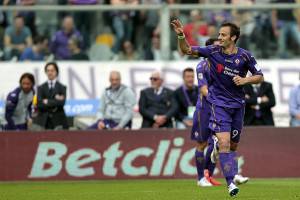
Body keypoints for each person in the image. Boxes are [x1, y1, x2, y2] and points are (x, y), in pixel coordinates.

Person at [171, 19, 264, 196]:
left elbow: (259, 76)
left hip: (238, 106)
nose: (219, 37)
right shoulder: (212, 51)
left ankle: (220, 156)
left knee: (233, 146)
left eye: (223, 35)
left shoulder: (245, 56)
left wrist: (245, 80)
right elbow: (186, 50)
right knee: (224, 143)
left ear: (234, 37)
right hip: (218, 104)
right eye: (219, 34)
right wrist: (181, 35)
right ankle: (230, 184)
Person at [191, 38, 221, 187]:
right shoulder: (202, 66)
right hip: (204, 110)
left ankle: (208, 175)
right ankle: (200, 178)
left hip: (219, 109)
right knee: (202, 144)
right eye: (215, 47)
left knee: (219, 143)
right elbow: (203, 89)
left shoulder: (222, 66)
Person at [33, 62, 68, 130]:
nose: (50, 73)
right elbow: (39, 103)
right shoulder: (41, 87)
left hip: (59, 121)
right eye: (48, 71)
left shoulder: (62, 87)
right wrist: (55, 102)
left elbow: (61, 103)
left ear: (56, 72)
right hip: (44, 121)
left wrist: (47, 101)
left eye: (52, 70)